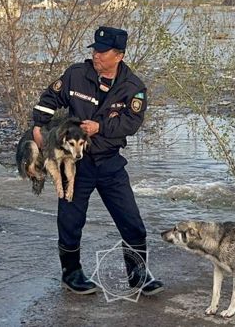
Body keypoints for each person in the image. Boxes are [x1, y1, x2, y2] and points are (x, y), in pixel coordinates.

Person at [31, 26, 164, 296]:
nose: (96, 56)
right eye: (95, 50)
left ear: (119, 55)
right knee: (70, 219)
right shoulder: (75, 75)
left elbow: (131, 123)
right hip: (75, 162)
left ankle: (138, 275)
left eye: (103, 52)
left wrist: (99, 128)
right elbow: (48, 99)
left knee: (131, 221)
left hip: (109, 161)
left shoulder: (133, 87)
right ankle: (71, 273)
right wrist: (38, 127)